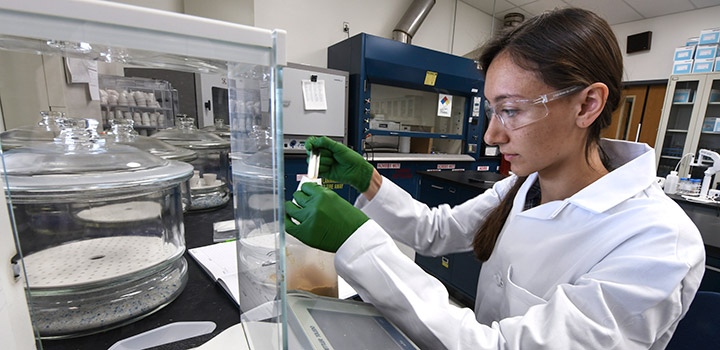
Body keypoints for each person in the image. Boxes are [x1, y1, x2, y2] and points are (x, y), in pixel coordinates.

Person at [284, 7, 705, 349]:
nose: (491, 135)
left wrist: (357, 242)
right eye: (491, 109)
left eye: (512, 110)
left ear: (587, 105)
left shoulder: (657, 241)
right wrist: (367, 178)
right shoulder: (522, 185)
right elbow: (437, 232)